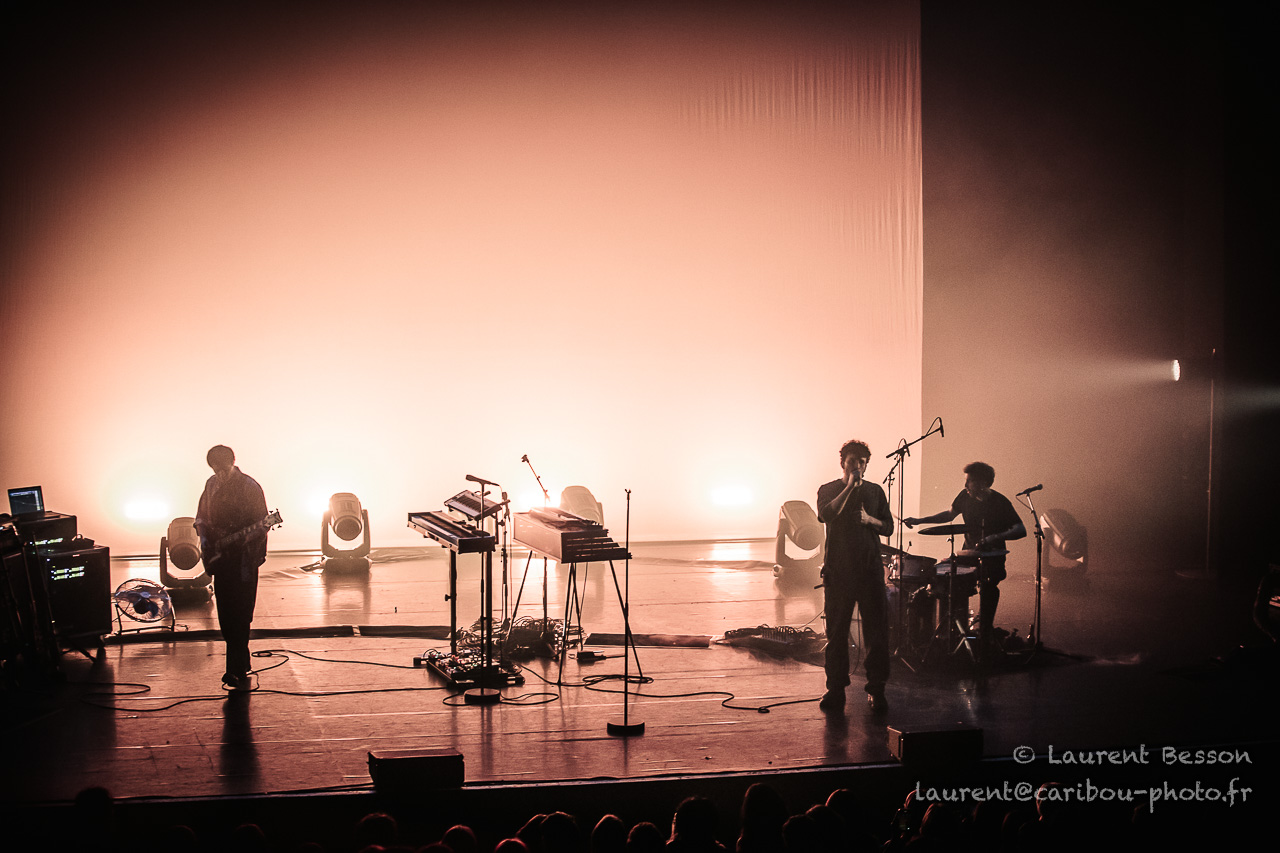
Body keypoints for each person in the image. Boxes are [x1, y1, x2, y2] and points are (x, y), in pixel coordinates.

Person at [903, 461, 1025, 657]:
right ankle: (954, 632)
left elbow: (1020, 529)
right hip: (967, 554)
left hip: (993, 557)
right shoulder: (964, 496)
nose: (965, 485)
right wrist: (920, 521)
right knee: (946, 577)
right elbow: (949, 515)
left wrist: (995, 537)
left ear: (983, 482)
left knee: (989, 587)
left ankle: (985, 631)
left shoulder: (1000, 502)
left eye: (970, 481)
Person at [817, 439, 894, 713]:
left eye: (862, 462)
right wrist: (849, 486)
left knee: (876, 633)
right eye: (852, 461)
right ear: (843, 462)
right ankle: (836, 690)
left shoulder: (875, 491)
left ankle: (877, 689)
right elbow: (826, 515)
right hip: (839, 571)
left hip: (870, 570)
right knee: (836, 633)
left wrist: (869, 520)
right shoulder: (828, 489)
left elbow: (888, 527)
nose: (858, 466)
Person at [194, 445, 268, 691]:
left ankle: (234, 670)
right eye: (215, 470)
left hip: (244, 560)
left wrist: (242, 539)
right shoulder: (211, 485)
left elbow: (262, 524)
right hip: (221, 560)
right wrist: (207, 543)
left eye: (223, 469)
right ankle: (241, 664)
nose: (220, 475)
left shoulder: (250, 487)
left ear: (233, 463)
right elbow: (201, 518)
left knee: (241, 613)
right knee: (226, 615)